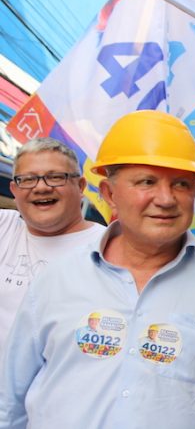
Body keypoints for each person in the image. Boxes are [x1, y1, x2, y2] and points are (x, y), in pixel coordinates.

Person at [0, 110, 195, 428]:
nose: (165, 199)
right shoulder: (56, 280)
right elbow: (9, 402)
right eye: (146, 182)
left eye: (181, 184)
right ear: (109, 194)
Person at [0, 137, 105, 351]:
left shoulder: (109, 247)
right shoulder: (4, 227)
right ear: (14, 189)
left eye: (55, 177)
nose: (41, 188)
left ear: (81, 185)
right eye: (28, 179)